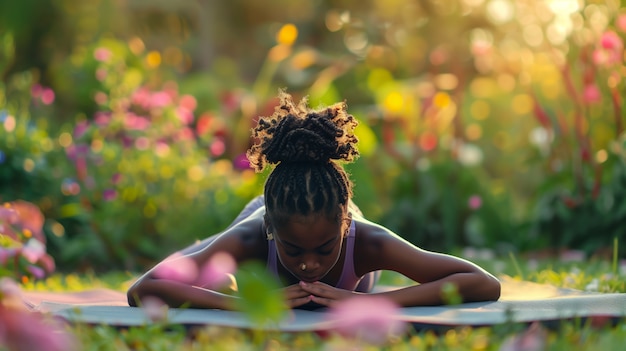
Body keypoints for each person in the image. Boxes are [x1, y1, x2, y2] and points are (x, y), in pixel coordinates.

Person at [127, 91, 501, 310]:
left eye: (324, 249)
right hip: (261, 214)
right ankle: (206, 253)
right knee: (215, 277)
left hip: (321, 216)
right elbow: (142, 290)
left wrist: (366, 303)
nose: (309, 264)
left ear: (346, 225)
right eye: (294, 250)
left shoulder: (367, 240)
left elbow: (482, 283)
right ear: (271, 232)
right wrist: (246, 306)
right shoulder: (254, 235)